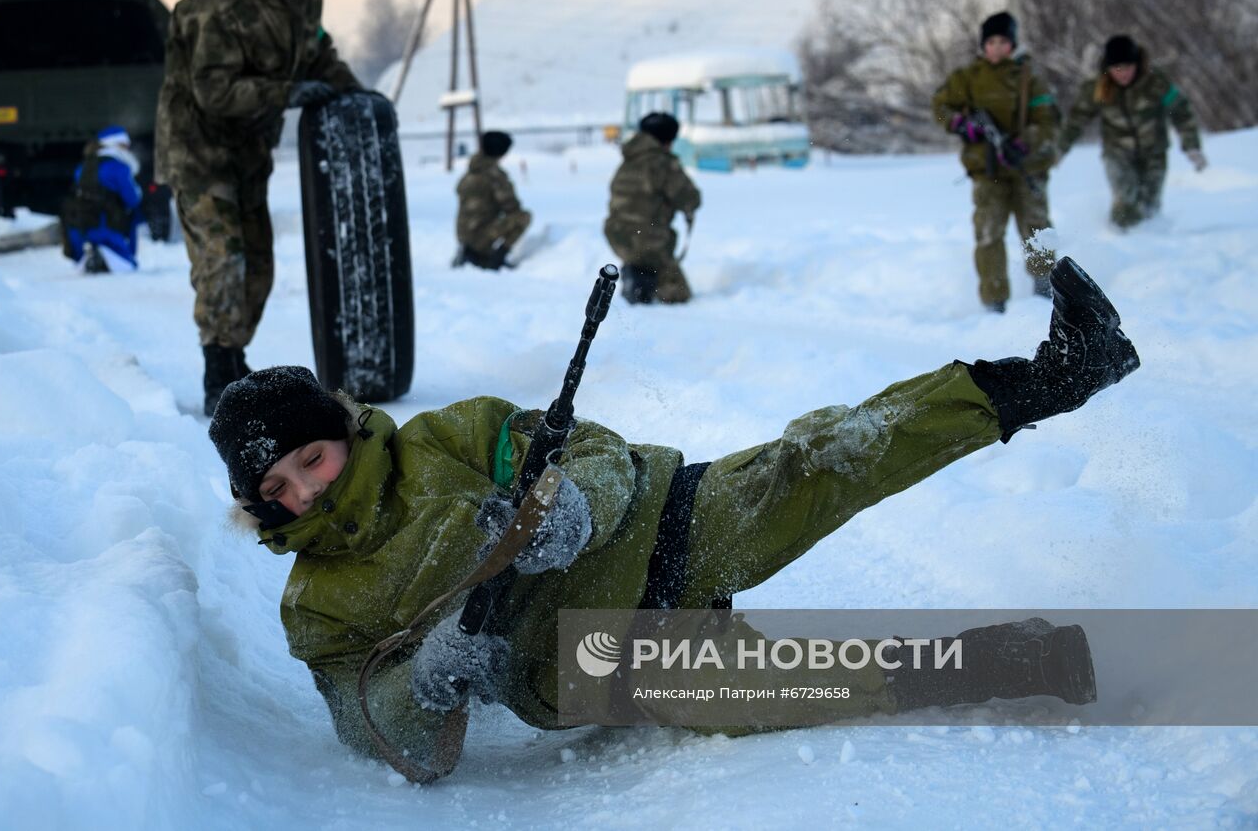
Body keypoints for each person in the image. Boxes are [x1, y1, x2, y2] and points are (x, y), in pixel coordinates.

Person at [207, 255, 1139, 779]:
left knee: (821, 460)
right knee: (792, 686)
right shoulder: (318, 606)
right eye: (279, 489)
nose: (306, 491)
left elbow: (595, 451)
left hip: (660, 522)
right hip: (584, 658)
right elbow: (367, 720)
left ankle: (1052, 375)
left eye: (311, 458)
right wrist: (432, 680)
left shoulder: (448, 436)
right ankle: (1020, 660)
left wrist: (576, 503)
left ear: (342, 430)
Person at [155, 0, 364, 416]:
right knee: (222, 260)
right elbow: (213, 91)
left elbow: (318, 52)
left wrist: (359, 98)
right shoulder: (215, 8)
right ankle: (218, 372)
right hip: (199, 152)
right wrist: (287, 92)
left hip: (250, 153)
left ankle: (233, 355)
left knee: (259, 267)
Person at [932, 12, 1060, 313]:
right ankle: (994, 302)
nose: (997, 47)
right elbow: (939, 107)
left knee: (1037, 229)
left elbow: (1048, 121)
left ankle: (1045, 293)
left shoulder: (1029, 78)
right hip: (987, 172)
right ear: (983, 45)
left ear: (1012, 44)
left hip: (1027, 167)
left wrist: (1023, 142)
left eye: (1003, 41)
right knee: (989, 234)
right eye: (991, 42)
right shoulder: (968, 78)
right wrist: (962, 125)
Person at [1054, 34, 1205, 229]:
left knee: (1150, 207)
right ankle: (1122, 240)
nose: (1123, 73)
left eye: (1128, 67)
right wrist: (1059, 149)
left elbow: (1181, 112)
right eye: (1117, 68)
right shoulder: (1098, 87)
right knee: (1126, 204)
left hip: (1154, 153)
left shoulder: (1155, 82)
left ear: (1137, 64)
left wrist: (1192, 146)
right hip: (1117, 153)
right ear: (1108, 68)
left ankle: (1153, 244)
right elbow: (1076, 120)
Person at [604, 112, 702, 304]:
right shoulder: (661, 163)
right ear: (667, 139)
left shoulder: (629, 160)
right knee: (678, 294)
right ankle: (641, 285)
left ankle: (639, 273)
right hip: (648, 240)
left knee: (645, 259)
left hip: (617, 234)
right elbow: (689, 198)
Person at [61, 126, 144, 273]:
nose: (127, 149)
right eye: (124, 145)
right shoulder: (119, 167)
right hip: (108, 225)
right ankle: (106, 257)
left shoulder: (83, 166)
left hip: (82, 226)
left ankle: (90, 257)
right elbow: (132, 199)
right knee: (128, 264)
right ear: (114, 144)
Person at [454, 130, 532, 270]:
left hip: (463, 236)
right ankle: (496, 258)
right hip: (480, 236)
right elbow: (512, 207)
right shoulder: (495, 176)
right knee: (523, 217)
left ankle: (475, 254)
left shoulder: (470, 173)